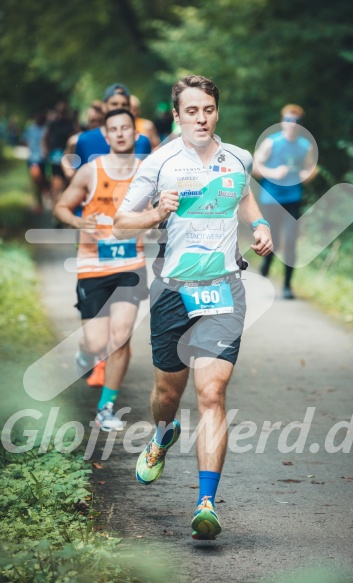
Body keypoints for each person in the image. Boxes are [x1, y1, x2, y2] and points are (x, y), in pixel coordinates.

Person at [113, 75, 273, 539]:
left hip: (223, 288)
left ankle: (206, 502)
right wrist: (157, 212)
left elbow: (243, 194)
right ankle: (162, 435)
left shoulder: (238, 158)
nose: (201, 118)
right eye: (191, 111)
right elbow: (123, 223)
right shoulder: (159, 162)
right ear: (177, 115)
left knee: (212, 393)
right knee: (168, 395)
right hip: (171, 290)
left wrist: (260, 223)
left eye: (208, 110)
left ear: (216, 111)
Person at [54, 109, 148, 432]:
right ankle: (86, 354)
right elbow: (62, 207)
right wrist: (82, 223)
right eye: (114, 129)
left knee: (120, 338)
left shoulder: (145, 172)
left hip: (130, 266)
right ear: (105, 136)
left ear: (135, 134)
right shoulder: (90, 172)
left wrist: (150, 223)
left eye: (126, 128)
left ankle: (106, 408)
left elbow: (154, 214)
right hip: (93, 266)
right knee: (97, 344)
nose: (120, 134)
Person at [253, 104, 318, 299]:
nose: (292, 124)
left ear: (300, 125)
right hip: (271, 199)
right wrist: (273, 172)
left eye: (296, 122)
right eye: (288, 120)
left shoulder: (305, 146)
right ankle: (265, 267)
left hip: (292, 199)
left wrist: (306, 175)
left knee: (290, 241)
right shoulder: (271, 143)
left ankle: (287, 286)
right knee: (272, 241)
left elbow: (312, 168)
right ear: (282, 122)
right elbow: (255, 166)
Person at [75, 84, 151, 167]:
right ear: (104, 106)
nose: (119, 108)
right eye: (114, 104)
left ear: (130, 108)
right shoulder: (85, 140)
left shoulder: (143, 142)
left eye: (124, 104)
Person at [43, 101, 78, 204]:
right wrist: (46, 151)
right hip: (55, 156)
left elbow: (76, 137)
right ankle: (56, 207)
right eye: (59, 111)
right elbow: (45, 138)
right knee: (56, 182)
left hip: (68, 156)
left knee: (67, 183)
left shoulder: (71, 124)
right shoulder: (53, 124)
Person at [62, 101, 105, 180]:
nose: (96, 124)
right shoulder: (77, 139)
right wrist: (68, 170)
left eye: (99, 121)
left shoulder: (110, 138)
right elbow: (66, 158)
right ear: (88, 121)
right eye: (93, 121)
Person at [21, 111, 49, 211]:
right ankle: (38, 202)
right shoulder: (29, 129)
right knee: (36, 179)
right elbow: (23, 140)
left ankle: (42, 196)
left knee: (42, 180)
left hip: (44, 159)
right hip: (33, 158)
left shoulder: (46, 129)